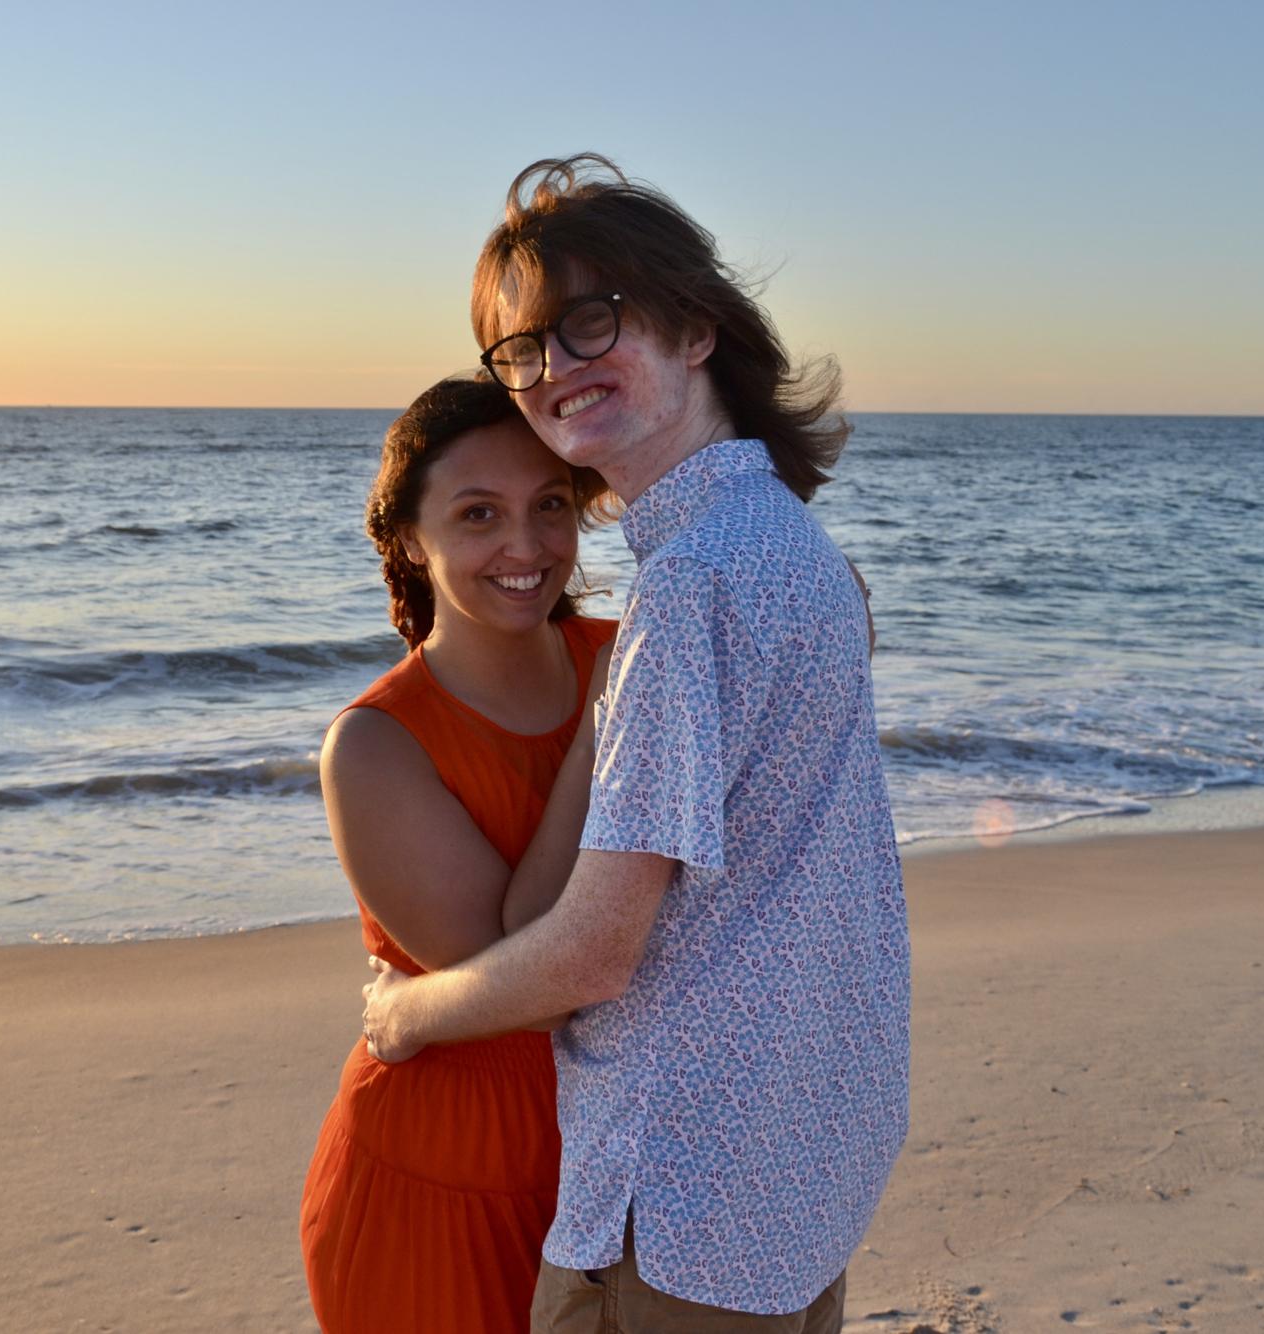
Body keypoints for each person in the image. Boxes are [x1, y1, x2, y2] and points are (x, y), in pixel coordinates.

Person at [361, 155, 910, 1332]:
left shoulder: (692, 585)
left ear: (695, 329)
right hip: (800, 1166)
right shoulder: (795, 549)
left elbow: (588, 958)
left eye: (589, 321)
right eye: (524, 350)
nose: (554, 369)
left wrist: (401, 1015)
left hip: (682, 1197)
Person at [299, 373, 618, 1334]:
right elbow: (523, 980)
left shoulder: (631, 653)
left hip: (623, 1155)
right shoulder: (375, 745)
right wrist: (609, 726)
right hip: (441, 1182)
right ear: (409, 536)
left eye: (550, 506)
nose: (525, 546)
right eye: (479, 513)